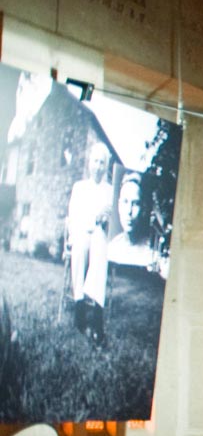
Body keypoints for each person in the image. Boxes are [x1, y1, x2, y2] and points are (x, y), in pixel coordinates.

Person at [66, 141, 114, 345]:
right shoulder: (80, 187)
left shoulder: (110, 191)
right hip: (80, 233)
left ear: (106, 166)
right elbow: (73, 217)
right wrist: (92, 221)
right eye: (95, 161)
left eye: (102, 162)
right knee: (80, 248)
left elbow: (113, 224)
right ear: (89, 163)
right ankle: (79, 309)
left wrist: (104, 220)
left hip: (99, 237)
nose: (98, 166)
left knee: (99, 248)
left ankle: (97, 318)